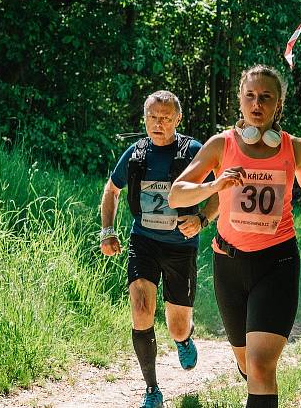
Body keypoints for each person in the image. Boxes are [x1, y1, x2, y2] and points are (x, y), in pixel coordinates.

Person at [169, 65, 301, 408]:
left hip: (277, 263)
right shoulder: (221, 145)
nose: (257, 104)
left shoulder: (295, 148)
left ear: (279, 105)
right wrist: (214, 184)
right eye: (250, 96)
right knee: (247, 364)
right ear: (240, 101)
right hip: (229, 265)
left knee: (260, 365)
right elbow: (176, 194)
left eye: (266, 97)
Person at [99, 90, 218, 408]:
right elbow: (112, 190)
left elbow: (221, 190)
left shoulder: (193, 151)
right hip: (144, 242)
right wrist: (107, 230)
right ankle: (152, 390)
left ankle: (184, 338)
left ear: (178, 119)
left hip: (181, 247)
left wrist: (203, 219)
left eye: (165, 118)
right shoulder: (136, 153)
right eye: (152, 117)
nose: (158, 123)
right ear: (144, 118)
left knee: (176, 324)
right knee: (140, 309)